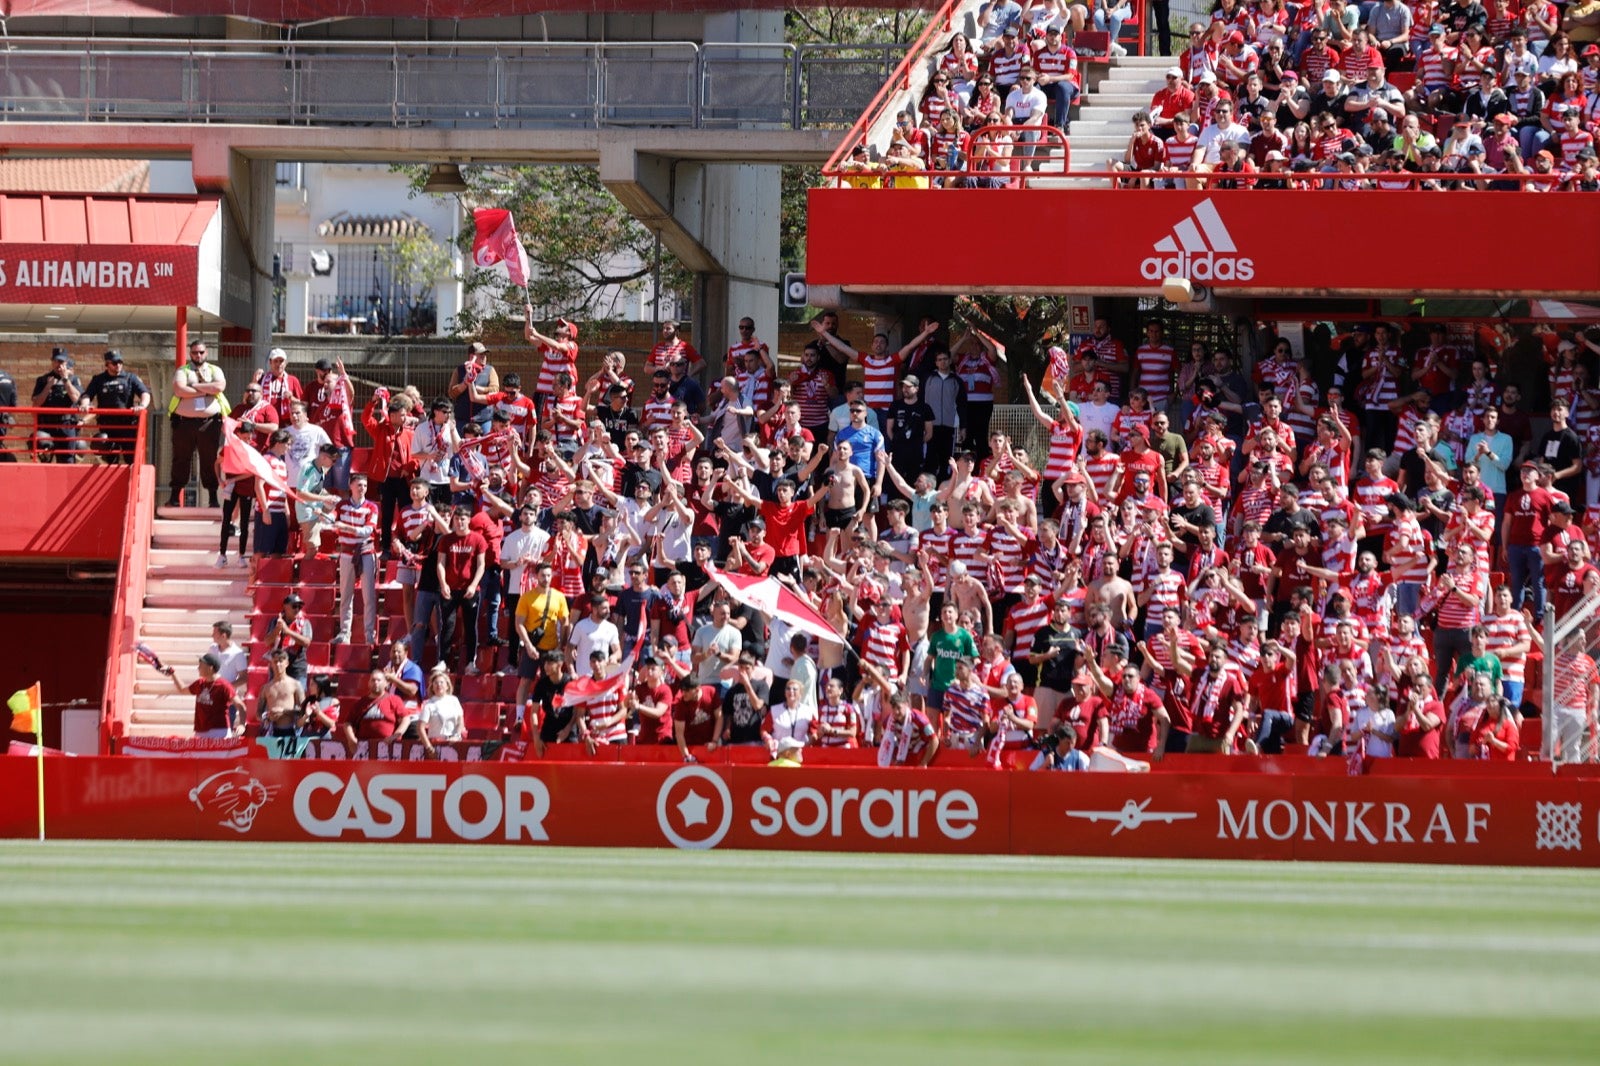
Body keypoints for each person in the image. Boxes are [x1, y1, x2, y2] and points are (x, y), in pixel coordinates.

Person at [167, 338, 228, 507]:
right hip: (184, 423)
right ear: (190, 353)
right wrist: (206, 390)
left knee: (209, 460)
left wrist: (193, 387)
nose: (198, 355)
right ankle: (174, 496)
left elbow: (219, 387)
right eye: (195, 352)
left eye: (201, 352)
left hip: (209, 423)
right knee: (181, 459)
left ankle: (213, 498)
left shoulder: (215, 370)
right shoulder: (183, 370)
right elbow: (179, 390)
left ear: (206, 353)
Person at [332, 472, 381, 646]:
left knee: (369, 596)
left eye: (365, 485)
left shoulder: (372, 507)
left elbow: (367, 531)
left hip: (366, 552)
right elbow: (331, 520)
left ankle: (369, 634)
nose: (362, 489)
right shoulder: (341, 506)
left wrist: (345, 527)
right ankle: (344, 633)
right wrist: (324, 513)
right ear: (350, 486)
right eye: (359, 485)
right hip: (346, 553)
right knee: (346, 595)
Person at [79, 350, 148, 464]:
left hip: (127, 426)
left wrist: (142, 405)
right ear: (107, 364)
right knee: (109, 458)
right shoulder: (98, 379)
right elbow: (87, 395)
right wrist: (85, 404)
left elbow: (144, 393)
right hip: (107, 426)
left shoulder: (130, 378)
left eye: (120, 362)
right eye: (115, 363)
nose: (118, 365)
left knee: (131, 459)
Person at [161, 652, 243, 738]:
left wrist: (242, 725)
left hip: (219, 731)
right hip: (200, 731)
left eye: (201, 665)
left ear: (210, 668)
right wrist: (172, 673)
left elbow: (241, 706)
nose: (198, 668)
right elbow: (182, 689)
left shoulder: (224, 685)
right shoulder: (200, 683)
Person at [417, 666, 465, 755]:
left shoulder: (454, 700)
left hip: (454, 743)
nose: (439, 685)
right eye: (436, 683)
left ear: (447, 686)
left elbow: (460, 720)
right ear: (432, 687)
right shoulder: (428, 704)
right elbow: (420, 728)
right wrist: (429, 747)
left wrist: (457, 736)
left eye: (441, 682)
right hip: (436, 744)